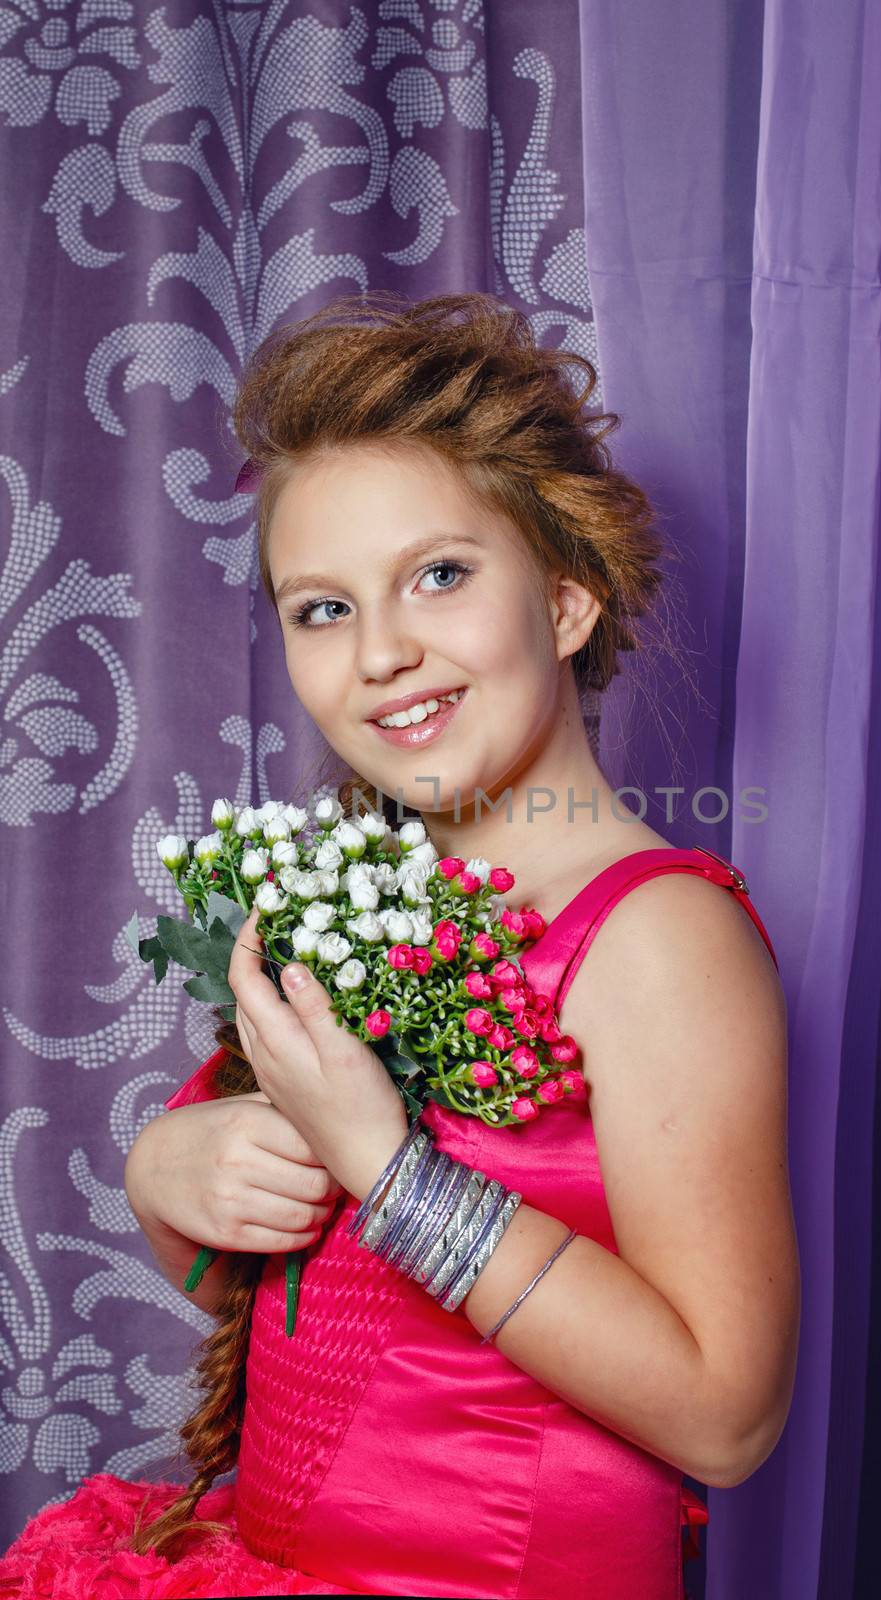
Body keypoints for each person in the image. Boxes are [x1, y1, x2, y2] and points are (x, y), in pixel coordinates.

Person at [0, 291, 799, 1599]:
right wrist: (169, 1172)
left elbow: (726, 1416)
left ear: (566, 599)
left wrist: (384, 1160)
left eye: (439, 575)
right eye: (322, 608)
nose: (381, 652)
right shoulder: (354, 895)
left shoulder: (660, 938)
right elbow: (277, 1294)